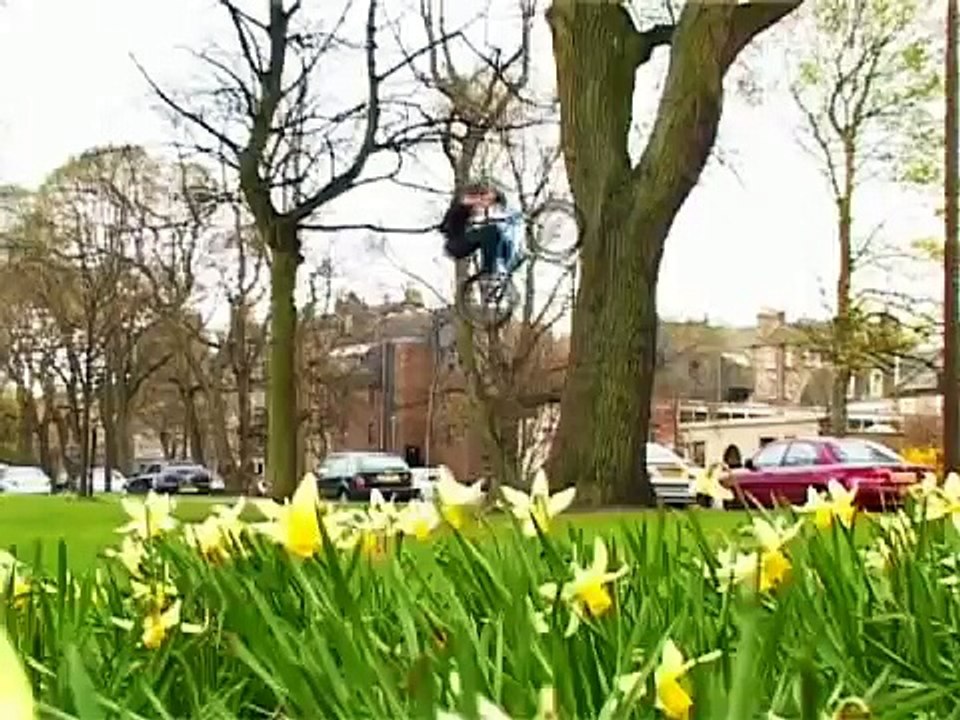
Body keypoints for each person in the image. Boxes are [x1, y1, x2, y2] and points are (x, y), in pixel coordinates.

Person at [439, 181, 525, 281]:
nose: (485, 204)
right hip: (455, 244)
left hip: (463, 242)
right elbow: (446, 226)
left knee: (500, 235)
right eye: (487, 200)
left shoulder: (475, 211)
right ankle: (490, 269)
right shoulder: (464, 203)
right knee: (491, 231)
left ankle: (506, 264)